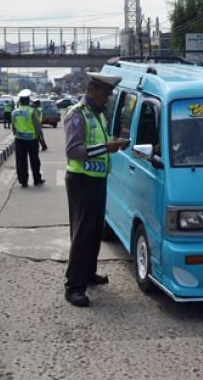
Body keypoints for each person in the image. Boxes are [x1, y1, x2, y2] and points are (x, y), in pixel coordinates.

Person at [63, 72, 127, 307]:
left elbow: (101, 142)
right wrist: (104, 148)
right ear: (92, 91)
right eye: (105, 94)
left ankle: (88, 274)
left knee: (94, 231)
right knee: (82, 234)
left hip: (97, 179)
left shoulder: (97, 116)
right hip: (81, 180)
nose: (107, 100)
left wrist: (118, 144)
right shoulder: (77, 115)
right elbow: (74, 150)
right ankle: (74, 286)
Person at [12, 89, 45, 187]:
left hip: (19, 139)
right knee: (34, 160)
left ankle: (23, 181)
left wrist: (16, 134)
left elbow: (13, 126)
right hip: (32, 139)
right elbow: (37, 125)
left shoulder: (14, 112)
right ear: (27, 101)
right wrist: (40, 137)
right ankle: (37, 179)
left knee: (21, 161)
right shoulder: (31, 111)